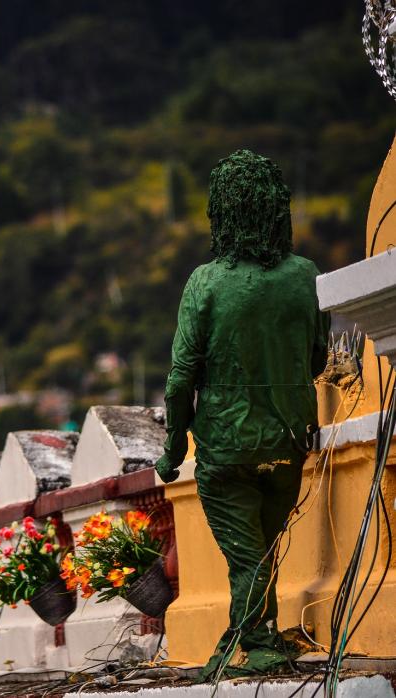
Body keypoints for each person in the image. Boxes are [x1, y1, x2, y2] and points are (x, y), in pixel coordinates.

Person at [154, 149, 330, 681]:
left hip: (226, 445)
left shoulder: (205, 282)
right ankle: (254, 636)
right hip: (287, 439)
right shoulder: (304, 274)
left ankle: (258, 644)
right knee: (261, 553)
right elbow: (318, 357)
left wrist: (171, 450)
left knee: (247, 556)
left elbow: (181, 376)